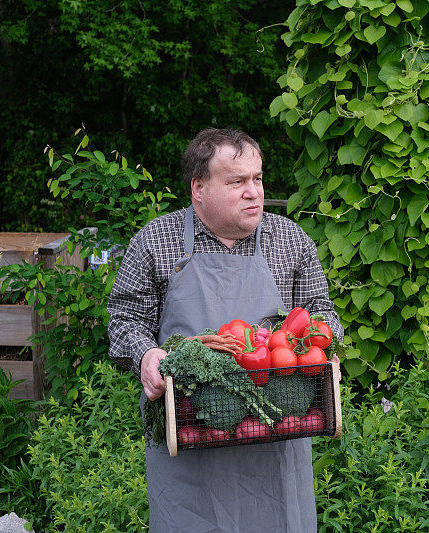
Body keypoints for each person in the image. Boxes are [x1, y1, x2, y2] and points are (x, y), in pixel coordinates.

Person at [107, 127, 343, 532]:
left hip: (277, 440)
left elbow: (321, 313)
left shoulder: (290, 240)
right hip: (191, 445)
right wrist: (146, 356)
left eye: (258, 178)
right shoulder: (155, 242)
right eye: (236, 181)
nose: (254, 192)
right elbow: (125, 320)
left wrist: (327, 353)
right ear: (199, 188)